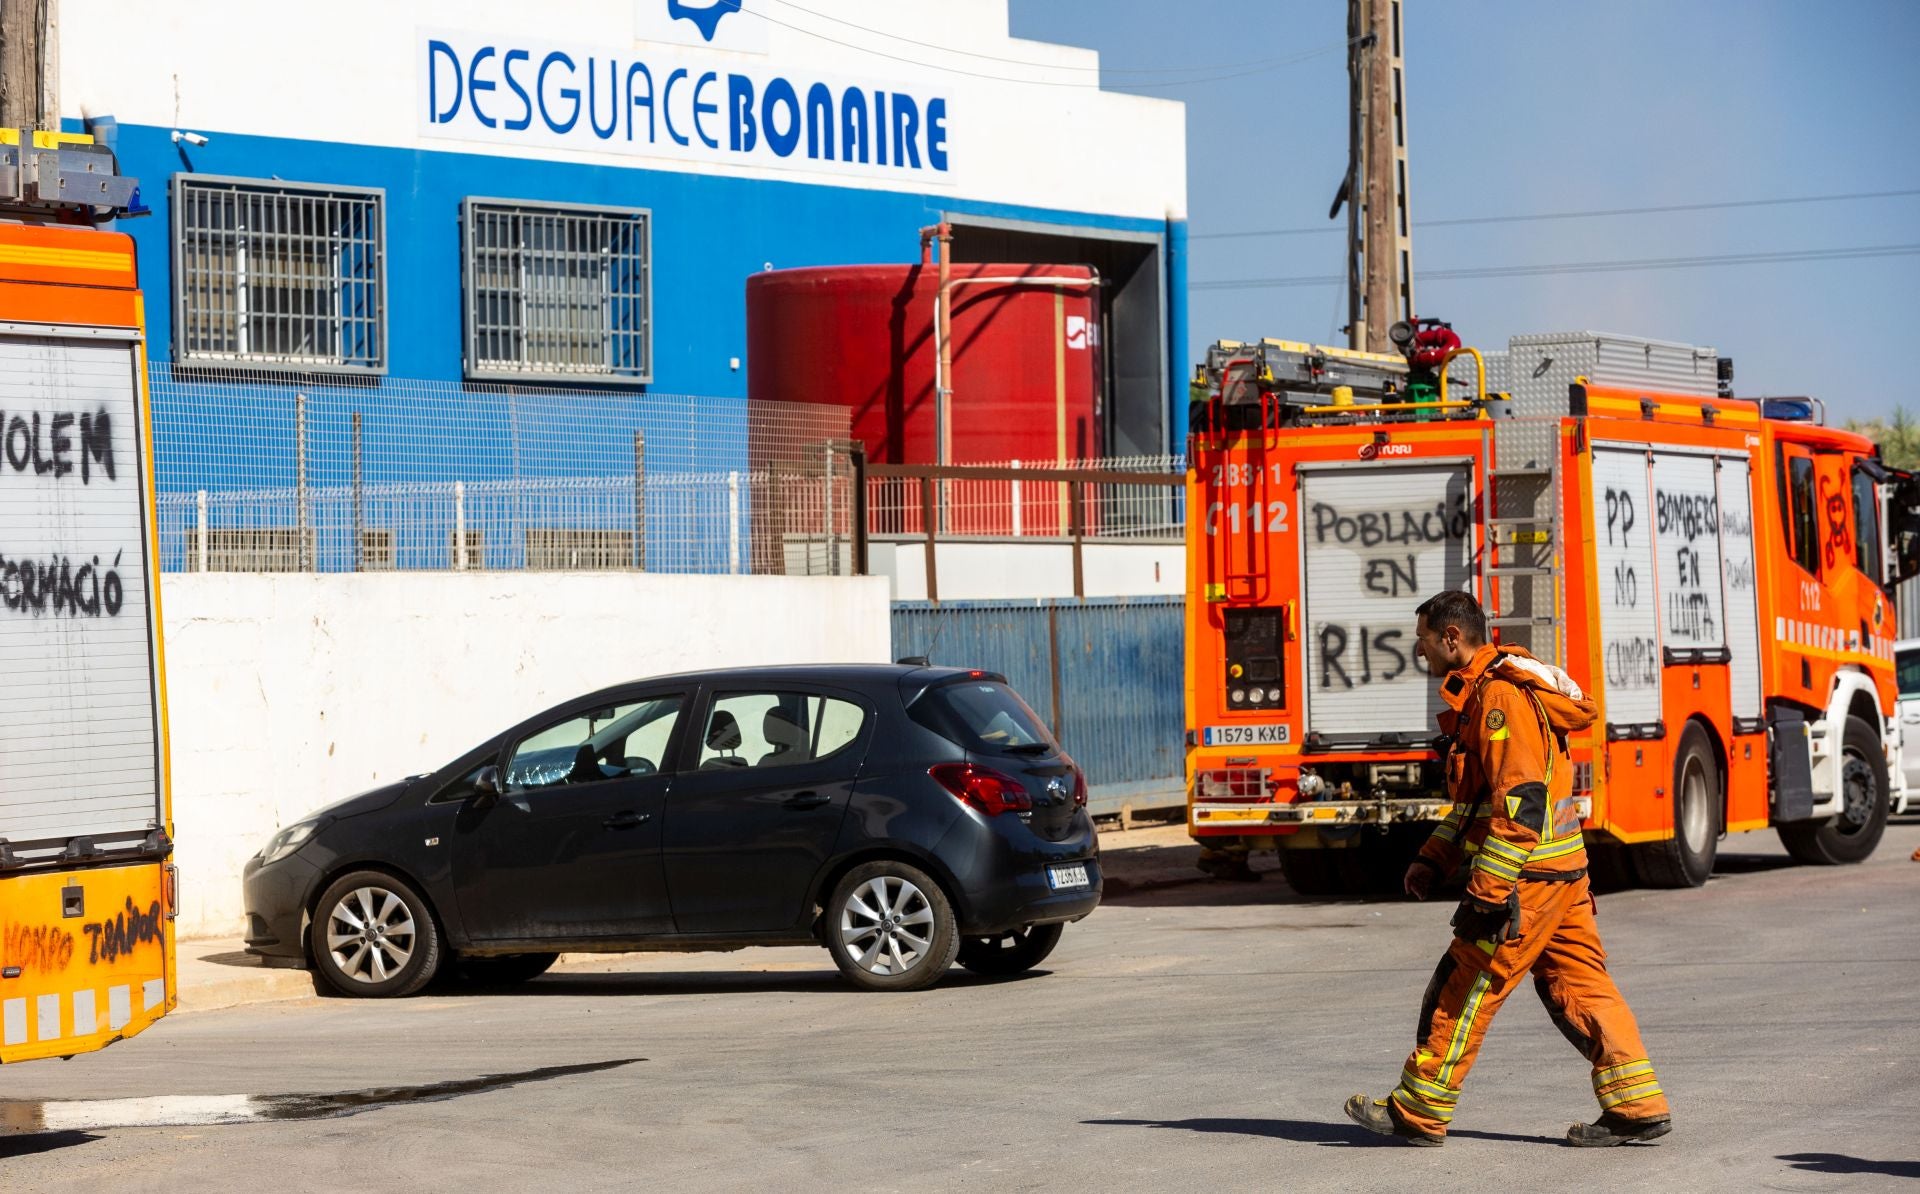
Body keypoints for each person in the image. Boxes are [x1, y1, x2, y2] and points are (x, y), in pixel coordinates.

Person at [1344, 590, 1672, 1148]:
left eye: (1423, 639)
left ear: (1451, 637)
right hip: (1561, 874)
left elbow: (1519, 800)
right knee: (1581, 985)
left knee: (1464, 986)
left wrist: (1489, 890)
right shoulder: (1487, 693)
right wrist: (1433, 858)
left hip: (1527, 879)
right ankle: (1637, 1104)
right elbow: (1476, 802)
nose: (1419, 651)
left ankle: (1420, 1109)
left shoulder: (1499, 697)